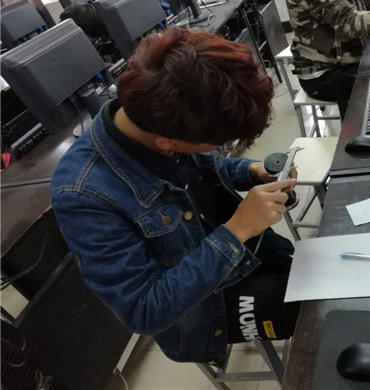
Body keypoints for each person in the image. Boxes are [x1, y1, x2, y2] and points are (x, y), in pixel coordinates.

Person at [50, 28, 300, 367]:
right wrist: (237, 231)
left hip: (242, 254)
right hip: (204, 309)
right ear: (167, 143)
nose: (218, 149)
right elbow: (144, 310)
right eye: (216, 143)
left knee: (320, 277)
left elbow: (207, 167)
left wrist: (252, 171)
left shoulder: (162, 115)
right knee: (317, 313)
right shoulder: (82, 195)